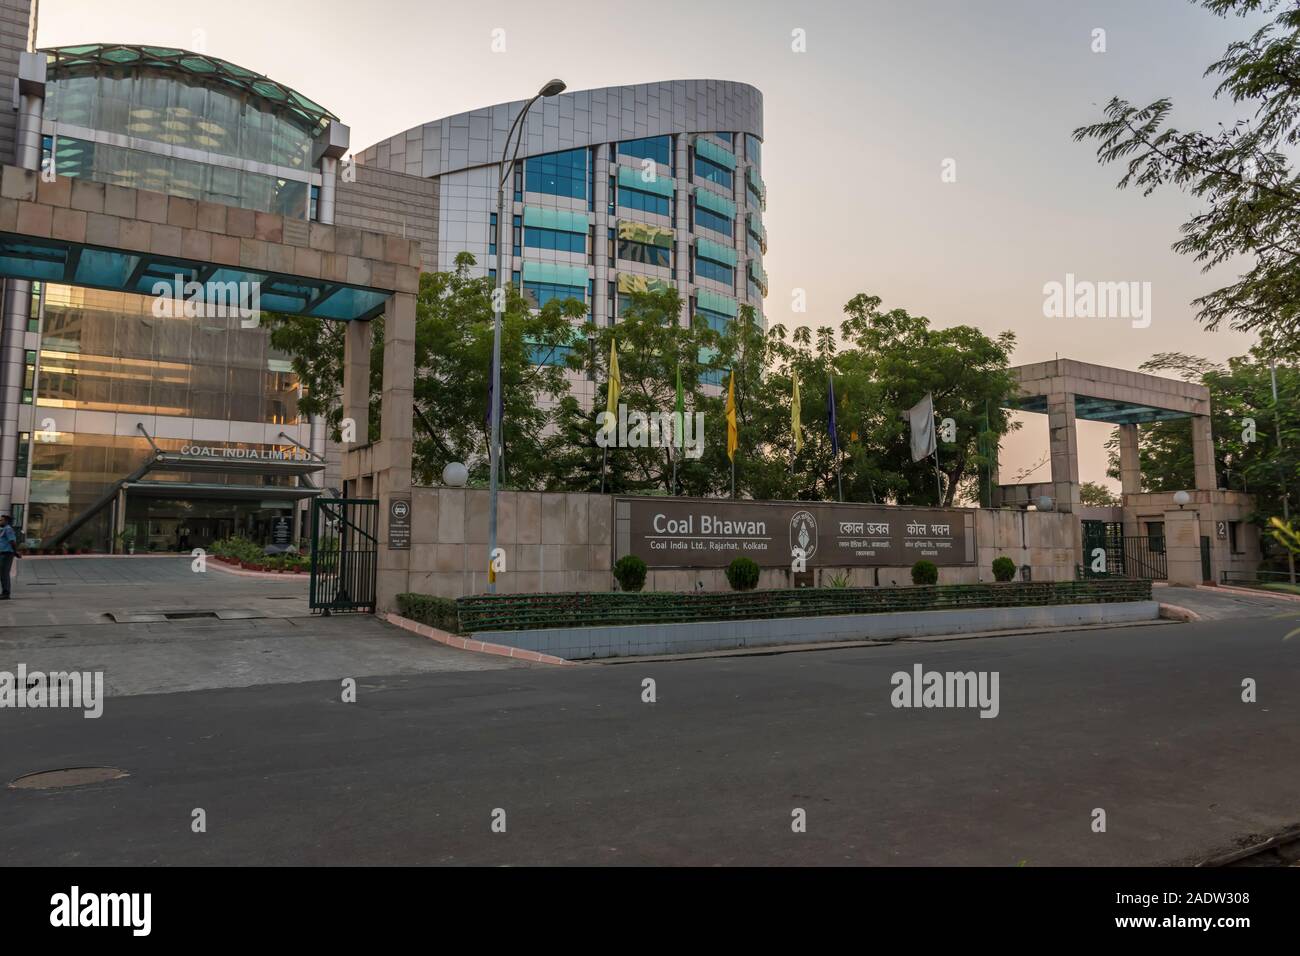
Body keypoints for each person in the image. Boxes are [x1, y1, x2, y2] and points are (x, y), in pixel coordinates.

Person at [0, 513, 21, 600]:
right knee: (2, 573)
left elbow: (12, 541)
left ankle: (6, 593)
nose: (0, 521)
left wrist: (15, 552)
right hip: (3, 553)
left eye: (1, 520)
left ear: (6, 521)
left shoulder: (8, 529)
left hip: (7, 554)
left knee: (4, 573)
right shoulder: (3, 529)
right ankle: (4, 592)